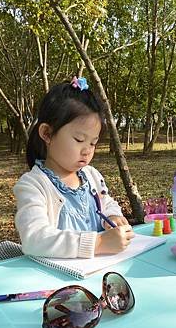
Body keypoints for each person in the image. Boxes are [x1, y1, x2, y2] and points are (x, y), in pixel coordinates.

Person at [13, 77, 134, 259]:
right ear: (47, 133)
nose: (87, 151)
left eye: (93, 143)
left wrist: (113, 217)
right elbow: (34, 238)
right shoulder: (34, 185)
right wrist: (98, 243)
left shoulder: (91, 176)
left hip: (99, 271)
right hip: (58, 280)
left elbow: (106, 203)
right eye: (79, 140)